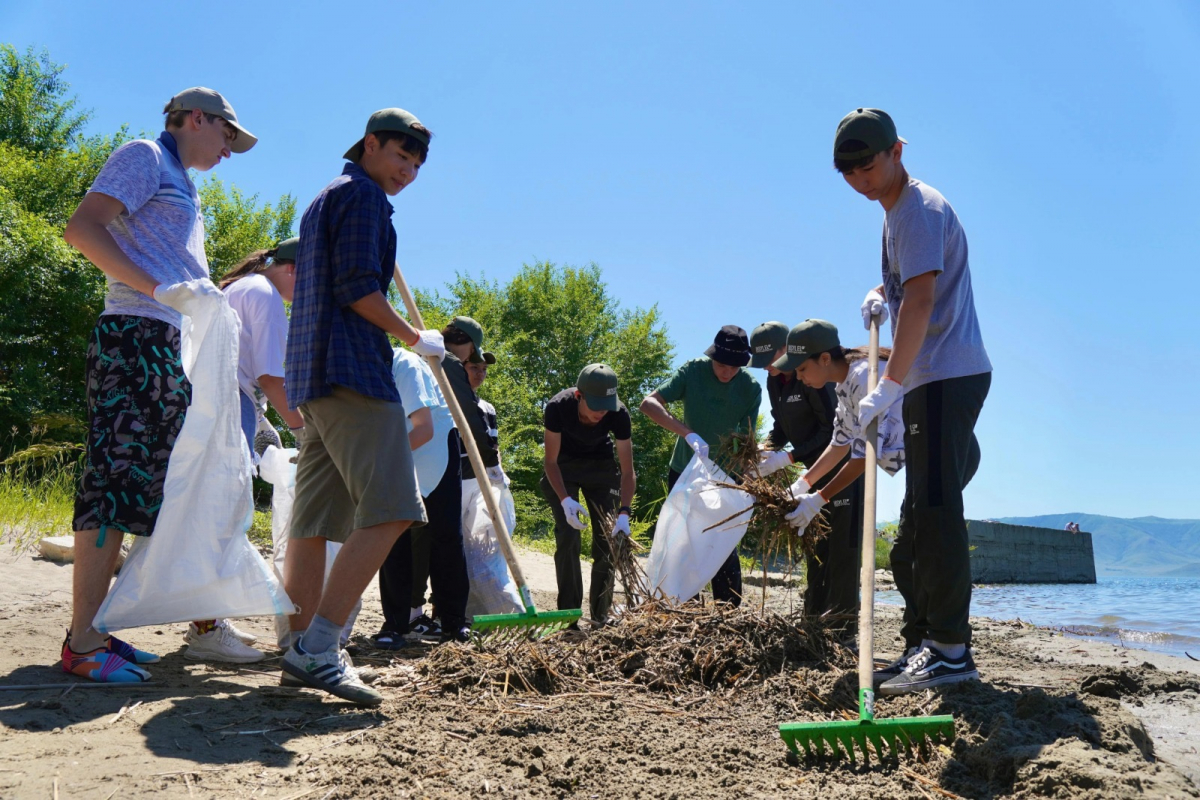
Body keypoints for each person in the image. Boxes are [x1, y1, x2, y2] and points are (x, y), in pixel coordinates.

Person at [60, 87, 256, 683]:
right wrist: (157, 290)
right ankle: (82, 643)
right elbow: (82, 229)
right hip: (133, 335)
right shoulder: (145, 154)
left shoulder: (184, 181)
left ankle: (118, 626)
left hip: (167, 340)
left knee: (164, 483)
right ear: (196, 119)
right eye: (226, 135)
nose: (228, 150)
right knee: (114, 480)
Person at [280, 108, 445, 706]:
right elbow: (356, 288)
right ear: (370, 145)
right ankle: (319, 647)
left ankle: (297, 644)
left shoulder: (325, 198)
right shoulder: (365, 198)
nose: (408, 170)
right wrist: (411, 336)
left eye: (418, 164)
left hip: (312, 378)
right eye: (401, 155)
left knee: (315, 523)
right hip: (352, 372)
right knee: (394, 507)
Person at [833, 108, 992, 694]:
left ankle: (951, 650)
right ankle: (929, 642)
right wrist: (882, 292)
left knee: (937, 511)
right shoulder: (897, 213)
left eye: (868, 164)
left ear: (897, 150)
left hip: (945, 374)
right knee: (925, 514)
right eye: (848, 171)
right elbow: (909, 289)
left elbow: (922, 304)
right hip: (932, 378)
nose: (860, 179)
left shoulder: (917, 210)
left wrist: (888, 387)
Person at [750, 322, 863, 633]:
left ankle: (843, 628)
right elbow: (782, 428)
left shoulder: (818, 378)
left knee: (843, 549)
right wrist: (766, 450)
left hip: (844, 469)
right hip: (811, 473)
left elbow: (833, 434)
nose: (767, 371)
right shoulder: (775, 382)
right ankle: (813, 621)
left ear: (785, 350)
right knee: (815, 547)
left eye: (770, 363)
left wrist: (787, 458)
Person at [640, 326, 761, 606]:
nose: (727, 372)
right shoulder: (693, 372)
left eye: (734, 367)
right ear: (711, 357)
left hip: (724, 479)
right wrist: (687, 433)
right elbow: (649, 404)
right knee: (681, 542)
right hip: (685, 470)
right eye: (721, 365)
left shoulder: (750, 389)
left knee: (721, 543)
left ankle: (727, 611)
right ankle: (682, 607)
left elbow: (747, 442)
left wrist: (749, 480)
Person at [373, 346, 471, 647]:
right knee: (393, 535)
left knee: (445, 537)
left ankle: (453, 622)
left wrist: (378, 460)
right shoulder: (358, 370)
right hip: (396, 451)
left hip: (435, 448)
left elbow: (424, 429)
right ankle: (395, 624)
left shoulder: (405, 364)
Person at [541, 364, 637, 625]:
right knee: (568, 536)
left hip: (600, 466)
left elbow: (628, 472)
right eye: (596, 406)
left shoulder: (619, 414)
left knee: (607, 541)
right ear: (579, 396)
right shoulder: (557, 407)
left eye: (606, 405)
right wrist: (565, 500)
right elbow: (550, 462)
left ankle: (600, 615)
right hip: (563, 466)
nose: (602, 413)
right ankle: (569, 615)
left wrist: (624, 513)